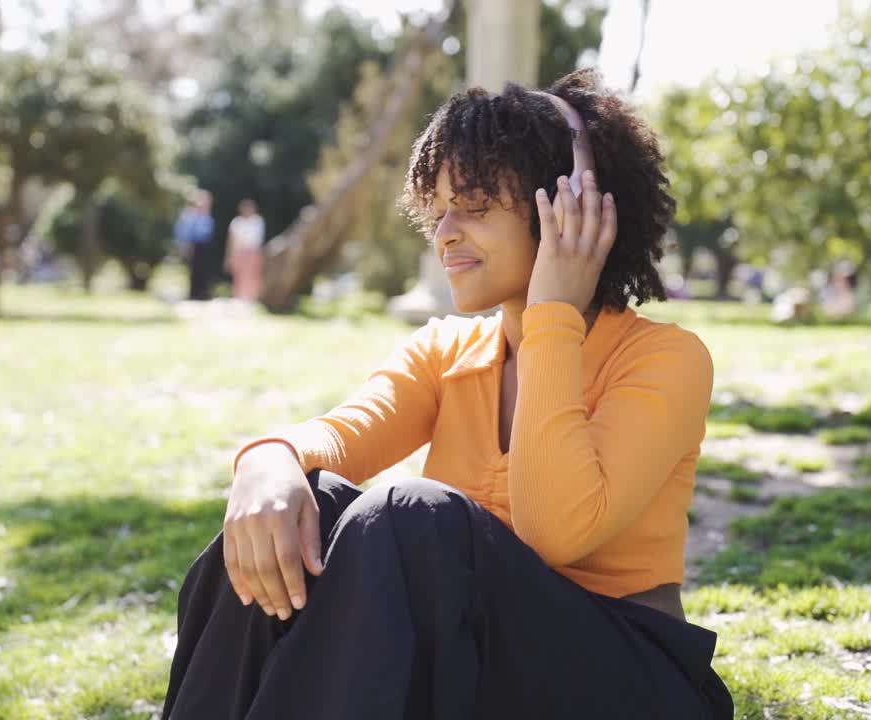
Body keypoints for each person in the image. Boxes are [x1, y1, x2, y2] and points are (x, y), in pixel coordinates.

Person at [162, 69, 733, 720]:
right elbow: (344, 433)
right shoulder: (445, 351)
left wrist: (553, 315)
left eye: (476, 207)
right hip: (485, 677)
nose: (445, 235)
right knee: (306, 507)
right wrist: (269, 458)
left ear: (571, 204)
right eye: (436, 212)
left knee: (415, 515)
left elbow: (558, 531)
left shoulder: (665, 359)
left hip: (628, 683)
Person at [175, 190, 215, 301]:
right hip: (196, 244)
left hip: (205, 245)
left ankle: (202, 292)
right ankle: (195, 293)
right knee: (195, 270)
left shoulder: (207, 215)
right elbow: (187, 232)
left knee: (203, 270)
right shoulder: (191, 215)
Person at [224, 198, 265, 302]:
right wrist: (229, 256)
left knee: (252, 275)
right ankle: (239, 297)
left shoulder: (258, 221)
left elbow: (258, 240)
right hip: (239, 251)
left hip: (253, 251)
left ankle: (252, 298)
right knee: (239, 275)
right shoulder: (236, 222)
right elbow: (231, 241)